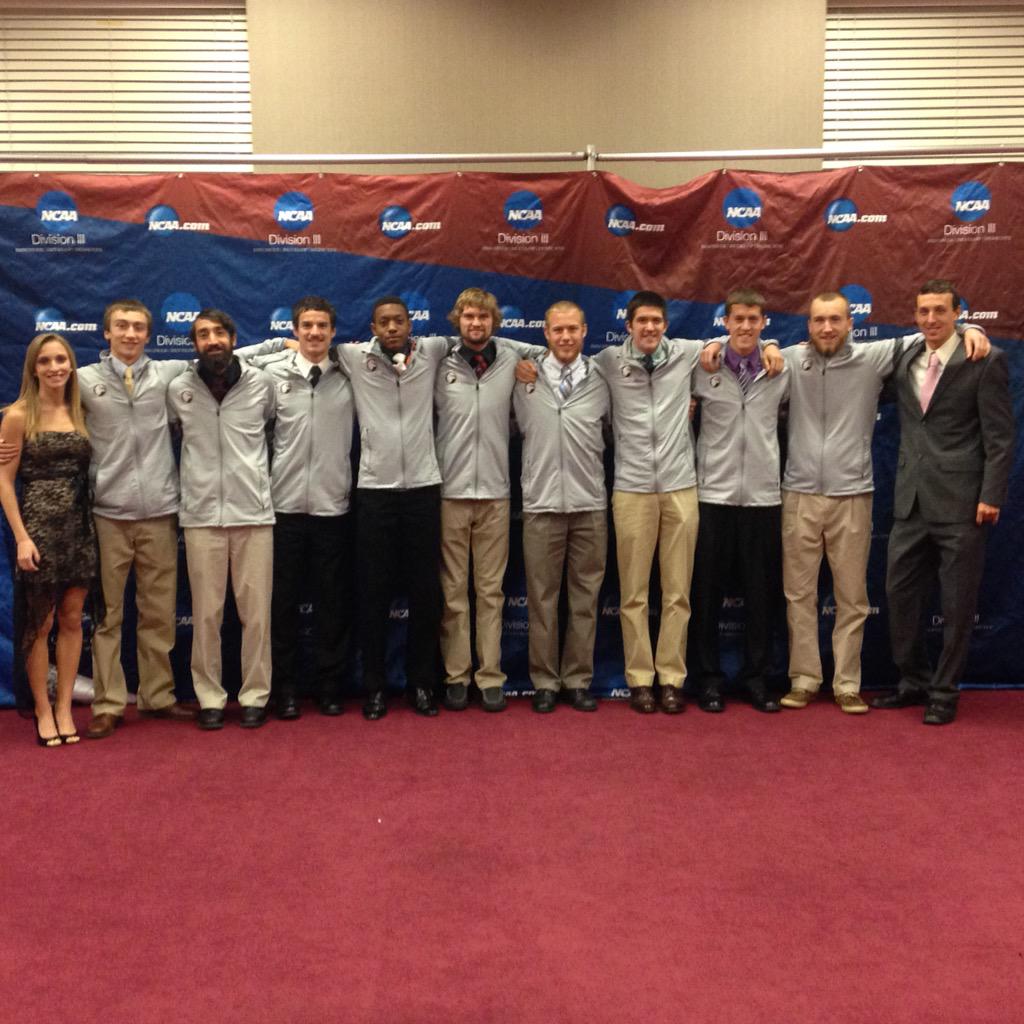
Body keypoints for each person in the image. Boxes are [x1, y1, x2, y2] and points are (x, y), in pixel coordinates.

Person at [704, 292, 989, 714]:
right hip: (798, 493)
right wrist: (738, 344)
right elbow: (740, 350)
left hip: (853, 495)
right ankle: (803, 680)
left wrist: (972, 328)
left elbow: (932, 335)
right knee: (798, 594)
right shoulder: (785, 360)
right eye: (819, 320)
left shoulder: (875, 357)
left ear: (850, 323)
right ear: (808, 325)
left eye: (835, 319)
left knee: (852, 597)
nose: (827, 328)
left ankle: (846, 684)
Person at [594, 290, 783, 714]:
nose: (648, 328)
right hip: (632, 487)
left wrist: (768, 344)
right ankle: (641, 679)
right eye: (641, 321)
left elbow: (739, 343)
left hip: (681, 487)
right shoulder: (608, 361)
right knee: (634, 594)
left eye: (656, 322)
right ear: (628, 326)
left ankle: (672, 679)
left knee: (679, 593)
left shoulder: (687, 353)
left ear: (666, 325)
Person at [873, 280, 1014, 725]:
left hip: (962, 505)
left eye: (940, 310)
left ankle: (945, 692)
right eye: (923, 311)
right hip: (910, 502)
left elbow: (1000, 438)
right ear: (914, 317)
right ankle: (913, 680)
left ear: (958, 313)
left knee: (956, 605)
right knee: (899, 595)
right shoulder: (906, 358)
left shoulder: (985, 359)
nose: (931, 318)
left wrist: (991, 495)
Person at [334, 296, 450, 720]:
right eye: (383, 322)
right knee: (373, 594)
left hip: (423, 488)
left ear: (410, 323)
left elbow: (490, 343)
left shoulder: (434, 351)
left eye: (398, 320)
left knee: (425, 594)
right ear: (373, 327)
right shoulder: (351, 356)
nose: (391, 328)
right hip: (375, 492)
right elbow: (299, 348)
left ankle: (422, 685)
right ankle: (375, 687)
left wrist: (531, 359)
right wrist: (283, 347)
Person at [434, 287, 544, 712]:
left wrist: (525, 360)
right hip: (451, 492)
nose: (475, 324)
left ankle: (491, 676)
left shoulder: (512, 357)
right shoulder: (438, 360)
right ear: (457, 320)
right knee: (453, 592)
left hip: (496, 494)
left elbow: (547, 347)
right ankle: (457, 675)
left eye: (483, 317)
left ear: (493, 322)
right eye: (468, 317)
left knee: (491, 591)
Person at [167, 310, 276, 730]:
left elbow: (271, 429)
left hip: (253, 514)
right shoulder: (178, 388)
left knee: (256, 615)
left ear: (232, 337)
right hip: (201, 517)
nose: (211, 340)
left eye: (218, 333)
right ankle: (209, 697)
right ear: (194, 342)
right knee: (207, 614)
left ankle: (255, 695)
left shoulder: (261, 384)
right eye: (202, 334)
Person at [248, 296, 355, 718]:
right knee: (283, 605)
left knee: (332, 605)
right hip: (285, 508)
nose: (314, 333)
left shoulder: (350, 375)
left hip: (333, 507)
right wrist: (278, 346)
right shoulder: (274, 375)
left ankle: (331, 685)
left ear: (333, 332)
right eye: (306, 326)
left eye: (322, 326)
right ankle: (285, 688)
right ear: (296, 330)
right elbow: (226, 358)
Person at [688, 289, 789, 713]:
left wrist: (772, 348)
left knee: (761, 594)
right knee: (705, 594)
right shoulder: (701, 367)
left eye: (754, 319)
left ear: (764, 323)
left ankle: (756, 678)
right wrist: (708, 346)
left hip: (763, 499)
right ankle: (708, 678)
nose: (746, 326)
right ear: (724, 323)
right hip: (712, 496)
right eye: (738, 319)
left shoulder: (781, 369)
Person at [0, 333, 96, 746]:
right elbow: (4, 482)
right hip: (36, 530)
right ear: (33, 368)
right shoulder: (18, 415)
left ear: (71, 365)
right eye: (46, 361)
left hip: (79, 528)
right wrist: (22, 537)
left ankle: (63, 708)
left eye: (61, 360)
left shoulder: (82, 410)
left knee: (73, 620)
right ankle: (42, 708)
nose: (55, 367)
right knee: (40, 624)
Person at [513, 301, 607, 713]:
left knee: (585, 599)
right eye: (558, 330)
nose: (566, 337)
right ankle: (545, 681)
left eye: (573, 329)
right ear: (545, 334)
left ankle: (578, 679)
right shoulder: (522, 377)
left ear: (585, 331)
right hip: (540, 505)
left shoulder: (604, 378)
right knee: (542, 598)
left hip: (590, 505)